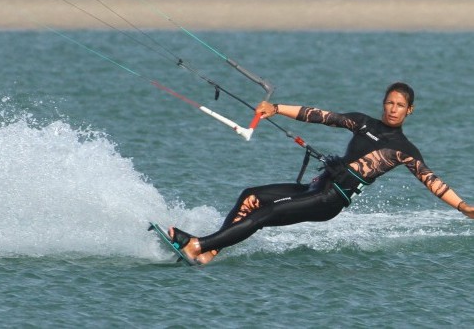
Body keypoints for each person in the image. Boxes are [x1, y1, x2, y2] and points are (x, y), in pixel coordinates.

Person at [169, 82, 474, 264]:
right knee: (250, 196)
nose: (393, 109)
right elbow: (320, 115)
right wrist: (275, 108)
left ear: (410, 110)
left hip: (331, 200)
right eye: (389, 103)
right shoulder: (363, 122)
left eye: (401, 105)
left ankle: (199, 245)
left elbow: (432, 181)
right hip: (318, 187)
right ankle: (210, 253)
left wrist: (462, 207)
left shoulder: (404, 148)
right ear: (383, 104)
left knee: (265, 214)